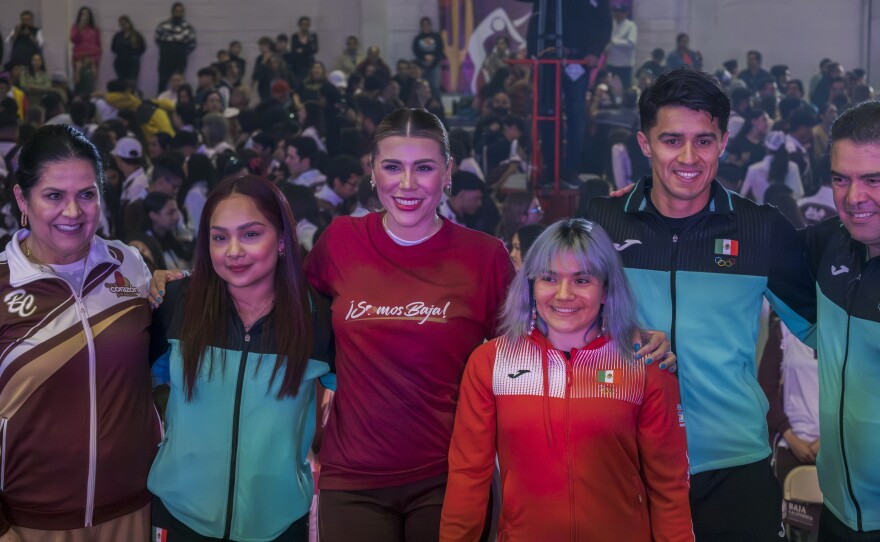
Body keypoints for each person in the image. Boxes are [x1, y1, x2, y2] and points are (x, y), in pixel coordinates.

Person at [585, 68, 816, 541]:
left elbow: (829, 331)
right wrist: (616, 333)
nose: (688, 158)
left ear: (724, 142)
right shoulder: (600, 221)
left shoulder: (761, 230)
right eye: (672, 140)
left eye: (704, 141)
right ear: (645, 144)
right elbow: (556, 324)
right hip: (627, 461)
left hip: (734, 469)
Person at [440, 218, 692, 540]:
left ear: (606, 289)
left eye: (582, 280)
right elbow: (468, 477)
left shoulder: (644, 365)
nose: (563, 294)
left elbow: (670, 486)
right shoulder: (491, 363)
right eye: (549, 278)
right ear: (531, 285)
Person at [148, 175, 334, 541]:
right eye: (220, 237)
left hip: (279, 522)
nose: (233, 251)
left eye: (250, 234)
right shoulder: (175, 304)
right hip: (181, 516)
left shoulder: (317, 319)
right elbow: (131, 389)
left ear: (281, 239)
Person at [0, 124, 160, 540]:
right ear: (22, 198)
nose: (73, 212)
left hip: (132, 511)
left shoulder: (129, 266)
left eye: (86, 195)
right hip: (27, 524)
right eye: (54, 195)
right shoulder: (3, 283)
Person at [802, 99, 880, 540]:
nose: (854, 198)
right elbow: (747, 238)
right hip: (836, 510)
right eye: (840, 179)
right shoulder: (829, 243)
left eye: (874, 179)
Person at [155, 2, 197, 94]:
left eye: (180, 11)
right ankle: (160, 102)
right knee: (163, 81)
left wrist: (182, 52)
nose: (178, 14)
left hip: (180, 57)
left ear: (183, 13)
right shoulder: (163, 25)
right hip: (165, 57)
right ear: (172, 12)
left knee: (179, 82)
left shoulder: (188, 28)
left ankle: (179, 103)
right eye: (176, 11)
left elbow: (192, 44)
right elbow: (157, 40)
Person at [606, 5, 638, 89]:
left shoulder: (631, 25)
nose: (617, 14)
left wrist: (614, 41)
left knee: (626, 86)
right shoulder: (611, 24)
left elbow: (631, 43)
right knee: (609, 84)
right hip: (611, 61)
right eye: (615, 12)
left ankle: (626, 102)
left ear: (625, 14)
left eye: (619, 13)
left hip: (625, 63)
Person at [412, 17, 444, 98]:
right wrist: (424, 58)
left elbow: (440, 50)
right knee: (422, 86)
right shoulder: (418, 38)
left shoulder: (436, 36)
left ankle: (436, 104)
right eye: (423, 25)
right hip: (422, 66)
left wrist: (433, 60)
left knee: (435, 86)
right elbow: (416, 50)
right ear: (421, 27)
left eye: (427, 25)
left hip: (435, 65)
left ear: (430, 26)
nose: (426, 27)